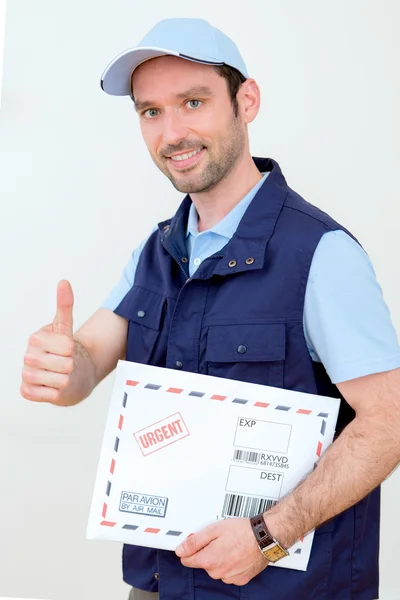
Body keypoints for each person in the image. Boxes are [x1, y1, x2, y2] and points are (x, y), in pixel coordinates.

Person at [21, 17, 400, 600]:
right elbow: (90, 361)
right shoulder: (158, 250)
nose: (172, 132)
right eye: (151, 112)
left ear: (245, 100)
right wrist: (63, 367)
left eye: (192, 102)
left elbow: (389, 423)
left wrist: (267, 536)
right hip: (162, 583)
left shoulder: (320, 255)